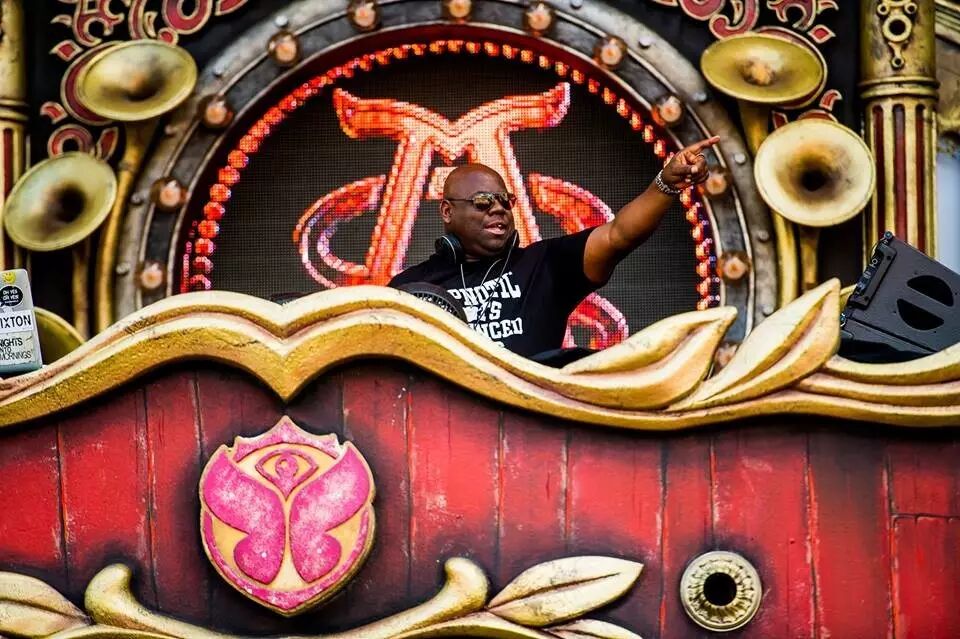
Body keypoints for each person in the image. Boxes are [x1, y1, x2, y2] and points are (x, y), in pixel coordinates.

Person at [388, 136, 720, 358]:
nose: (498, 209)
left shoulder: (545, 264)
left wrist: (666, 184)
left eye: (505, 201)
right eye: (483, 201)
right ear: (447, 211)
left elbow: (619, 235)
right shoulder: (410, 288)